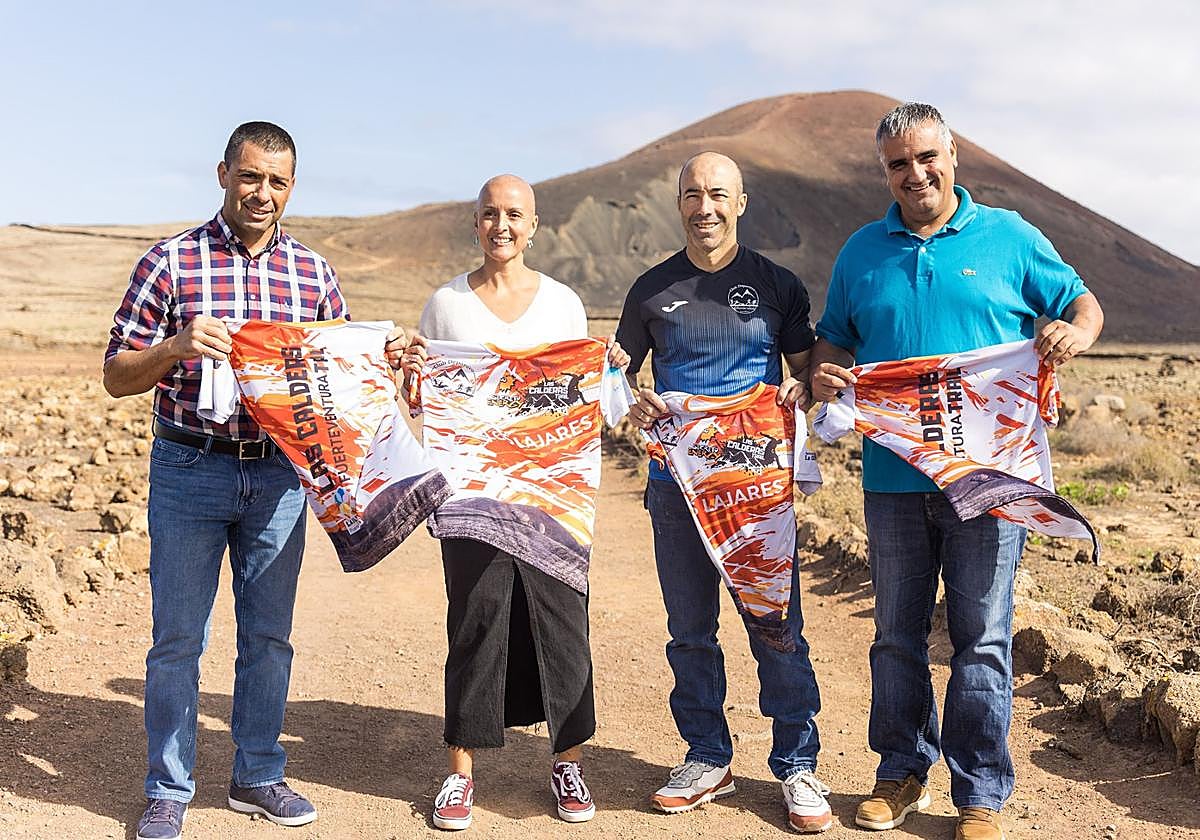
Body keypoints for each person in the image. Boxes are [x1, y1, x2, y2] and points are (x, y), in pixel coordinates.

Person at [809, 102, 1104, 840]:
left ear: (952, 156)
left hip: (991, 484)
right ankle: (901, 771)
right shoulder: (861, 252)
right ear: (885, 173)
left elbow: (1081, 304)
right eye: (898, 165)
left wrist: (1072, 333)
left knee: (983, 638)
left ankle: (980, 792)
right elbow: (832, 340)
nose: (915, 174)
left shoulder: (1010, 237)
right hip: (892, 481)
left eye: (926, 157)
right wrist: (826, 374)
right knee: (895, 635)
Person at [103, 122, 373, 840]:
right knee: (177, 641)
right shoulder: (170, 262)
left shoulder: (313, 275)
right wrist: (175, 345)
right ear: (224, 174)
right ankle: (168, 790)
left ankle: (257, 775)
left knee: (269, 637)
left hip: (279, 478)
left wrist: (391, 356)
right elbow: (115, 375)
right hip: (189, 468)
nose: (262, 193)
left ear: (293, 188)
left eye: (277, 181)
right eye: (250, 176)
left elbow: (344, 373)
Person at [393, 174, 628, 831]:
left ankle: (567, 764)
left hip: (553, 494)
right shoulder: (445, 305)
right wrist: (409, 371)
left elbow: (584, 394)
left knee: (563, 622)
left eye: (514, 215)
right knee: (474, 618)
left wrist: (606, 365)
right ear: (476, 223)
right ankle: (460, 774)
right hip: (472, 494)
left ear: (534, 226)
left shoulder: (564, 304)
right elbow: (424, 401)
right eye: (490, 213)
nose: (502, 225)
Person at [616, 151, 833, 833]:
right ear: (678, 203)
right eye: (692, 195)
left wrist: (800, 390)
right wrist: (632, 399)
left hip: (756, 490)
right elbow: (619, 376)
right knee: (689, 632)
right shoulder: (650, 290)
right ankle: (707, 756)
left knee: (776, 625)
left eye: (717, 195)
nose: (704, 208)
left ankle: (797, 764)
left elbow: (806, 370)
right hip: (676, 485)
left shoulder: (777, 285)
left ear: (740, 203)